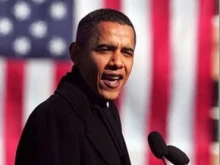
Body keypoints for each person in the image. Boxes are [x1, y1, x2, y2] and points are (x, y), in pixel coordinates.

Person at [15, 8, 136, 165]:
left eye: (127, 52)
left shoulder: (106, 110)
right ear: (76, 54)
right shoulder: (54, 117)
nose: (118, 62)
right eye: (105, 49)